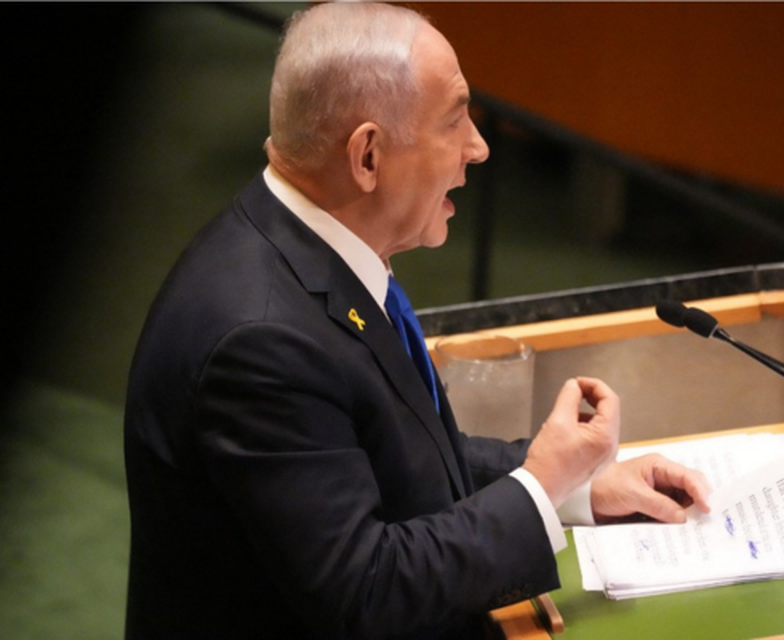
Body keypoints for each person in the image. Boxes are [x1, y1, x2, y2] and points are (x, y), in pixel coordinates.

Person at [123, 3, 710, 639]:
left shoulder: (312, 244)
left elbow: (391, 455)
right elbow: (365, 592)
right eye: (455, 120)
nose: (479, 148)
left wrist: (576, 487)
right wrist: (537, 487)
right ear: (368, 156)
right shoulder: (261, 342)